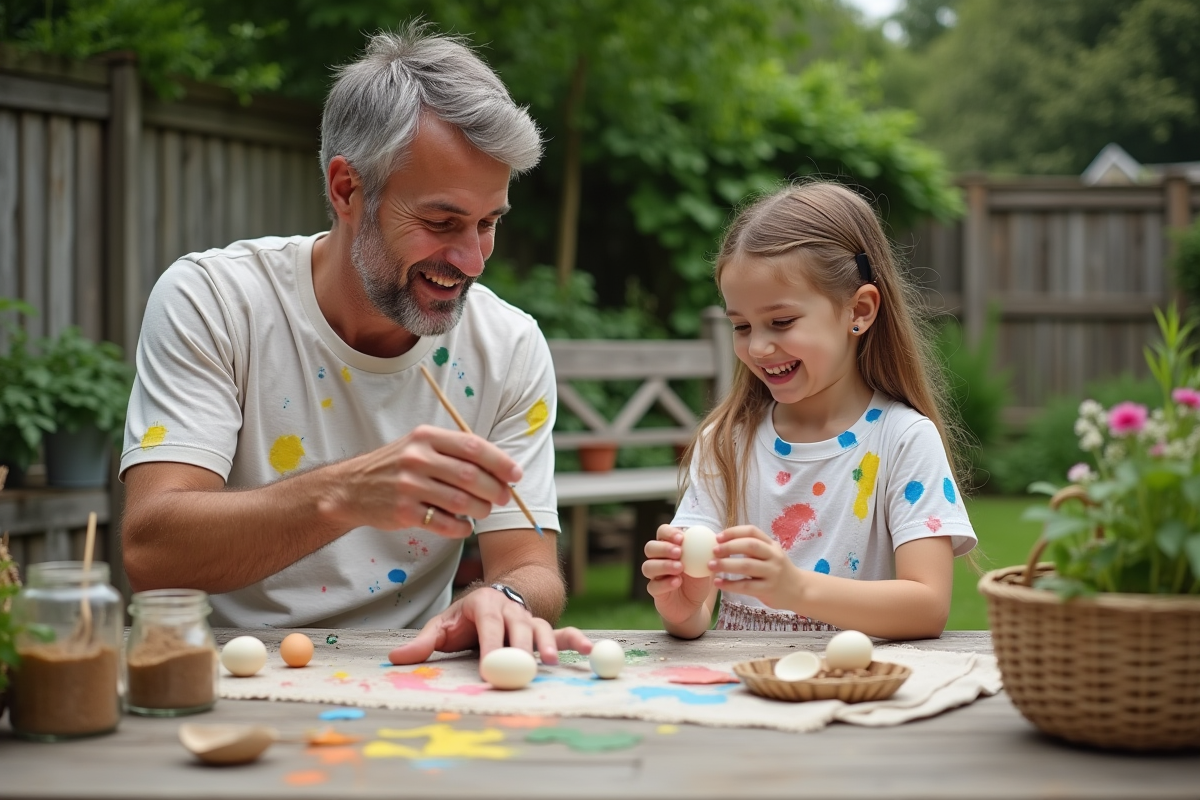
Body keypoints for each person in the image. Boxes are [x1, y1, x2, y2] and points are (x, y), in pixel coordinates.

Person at [120, 23, 592, 667]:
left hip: (411, 676)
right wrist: (344, 494)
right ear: (347, 190)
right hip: (220, 674)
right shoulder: (215, 301)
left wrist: (504, 596)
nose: (474, 260)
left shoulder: (507, 346)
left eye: (488, 224)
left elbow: (531, 564)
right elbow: (151, 553)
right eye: (441, 222)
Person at [642, 182, 977, 640]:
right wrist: (681, 607)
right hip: (744, 694)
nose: (758, 346)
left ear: (858, 310)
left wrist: (795, 588)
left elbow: (928, 605)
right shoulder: (724, 442)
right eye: (741, 326)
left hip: (855, 695)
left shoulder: (902, 440)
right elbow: (695, 615)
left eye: (781, 322)